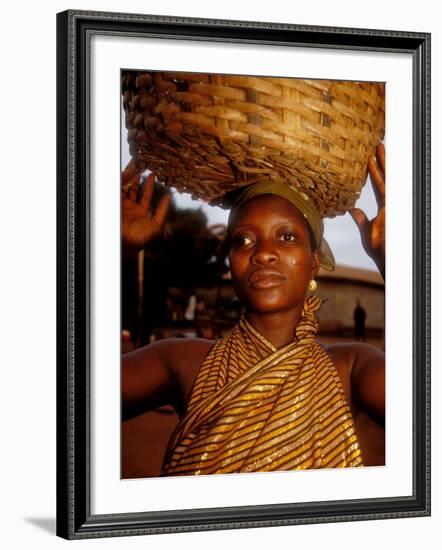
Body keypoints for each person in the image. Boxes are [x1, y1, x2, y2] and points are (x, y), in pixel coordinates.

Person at [122, 144, 386, 474]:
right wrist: (109, 250)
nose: (263, 253)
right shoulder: (181, 361)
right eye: (243, 240)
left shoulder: (351, 369)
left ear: (314, 262)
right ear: (230, 261)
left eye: (287, 237)